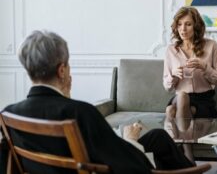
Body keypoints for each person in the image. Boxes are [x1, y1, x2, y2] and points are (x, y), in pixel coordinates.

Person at [0, 30, 193, 174]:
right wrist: (131, 141)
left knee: (157, 137)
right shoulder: (79, 113)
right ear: (61, 70)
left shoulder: (9, 114)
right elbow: (133, 168)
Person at [163, 6, 217, 121]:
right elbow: (167, 87)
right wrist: (173, 76)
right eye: (179, 24)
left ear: (196, 26)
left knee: (171, 110)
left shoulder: (211, 46)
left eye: (188, 24)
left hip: (203, 99)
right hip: (180, 98)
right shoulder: (171, 50)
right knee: (181, 96)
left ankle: (177, 139)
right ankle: (186, 139)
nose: (183, 29)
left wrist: (205, 67)